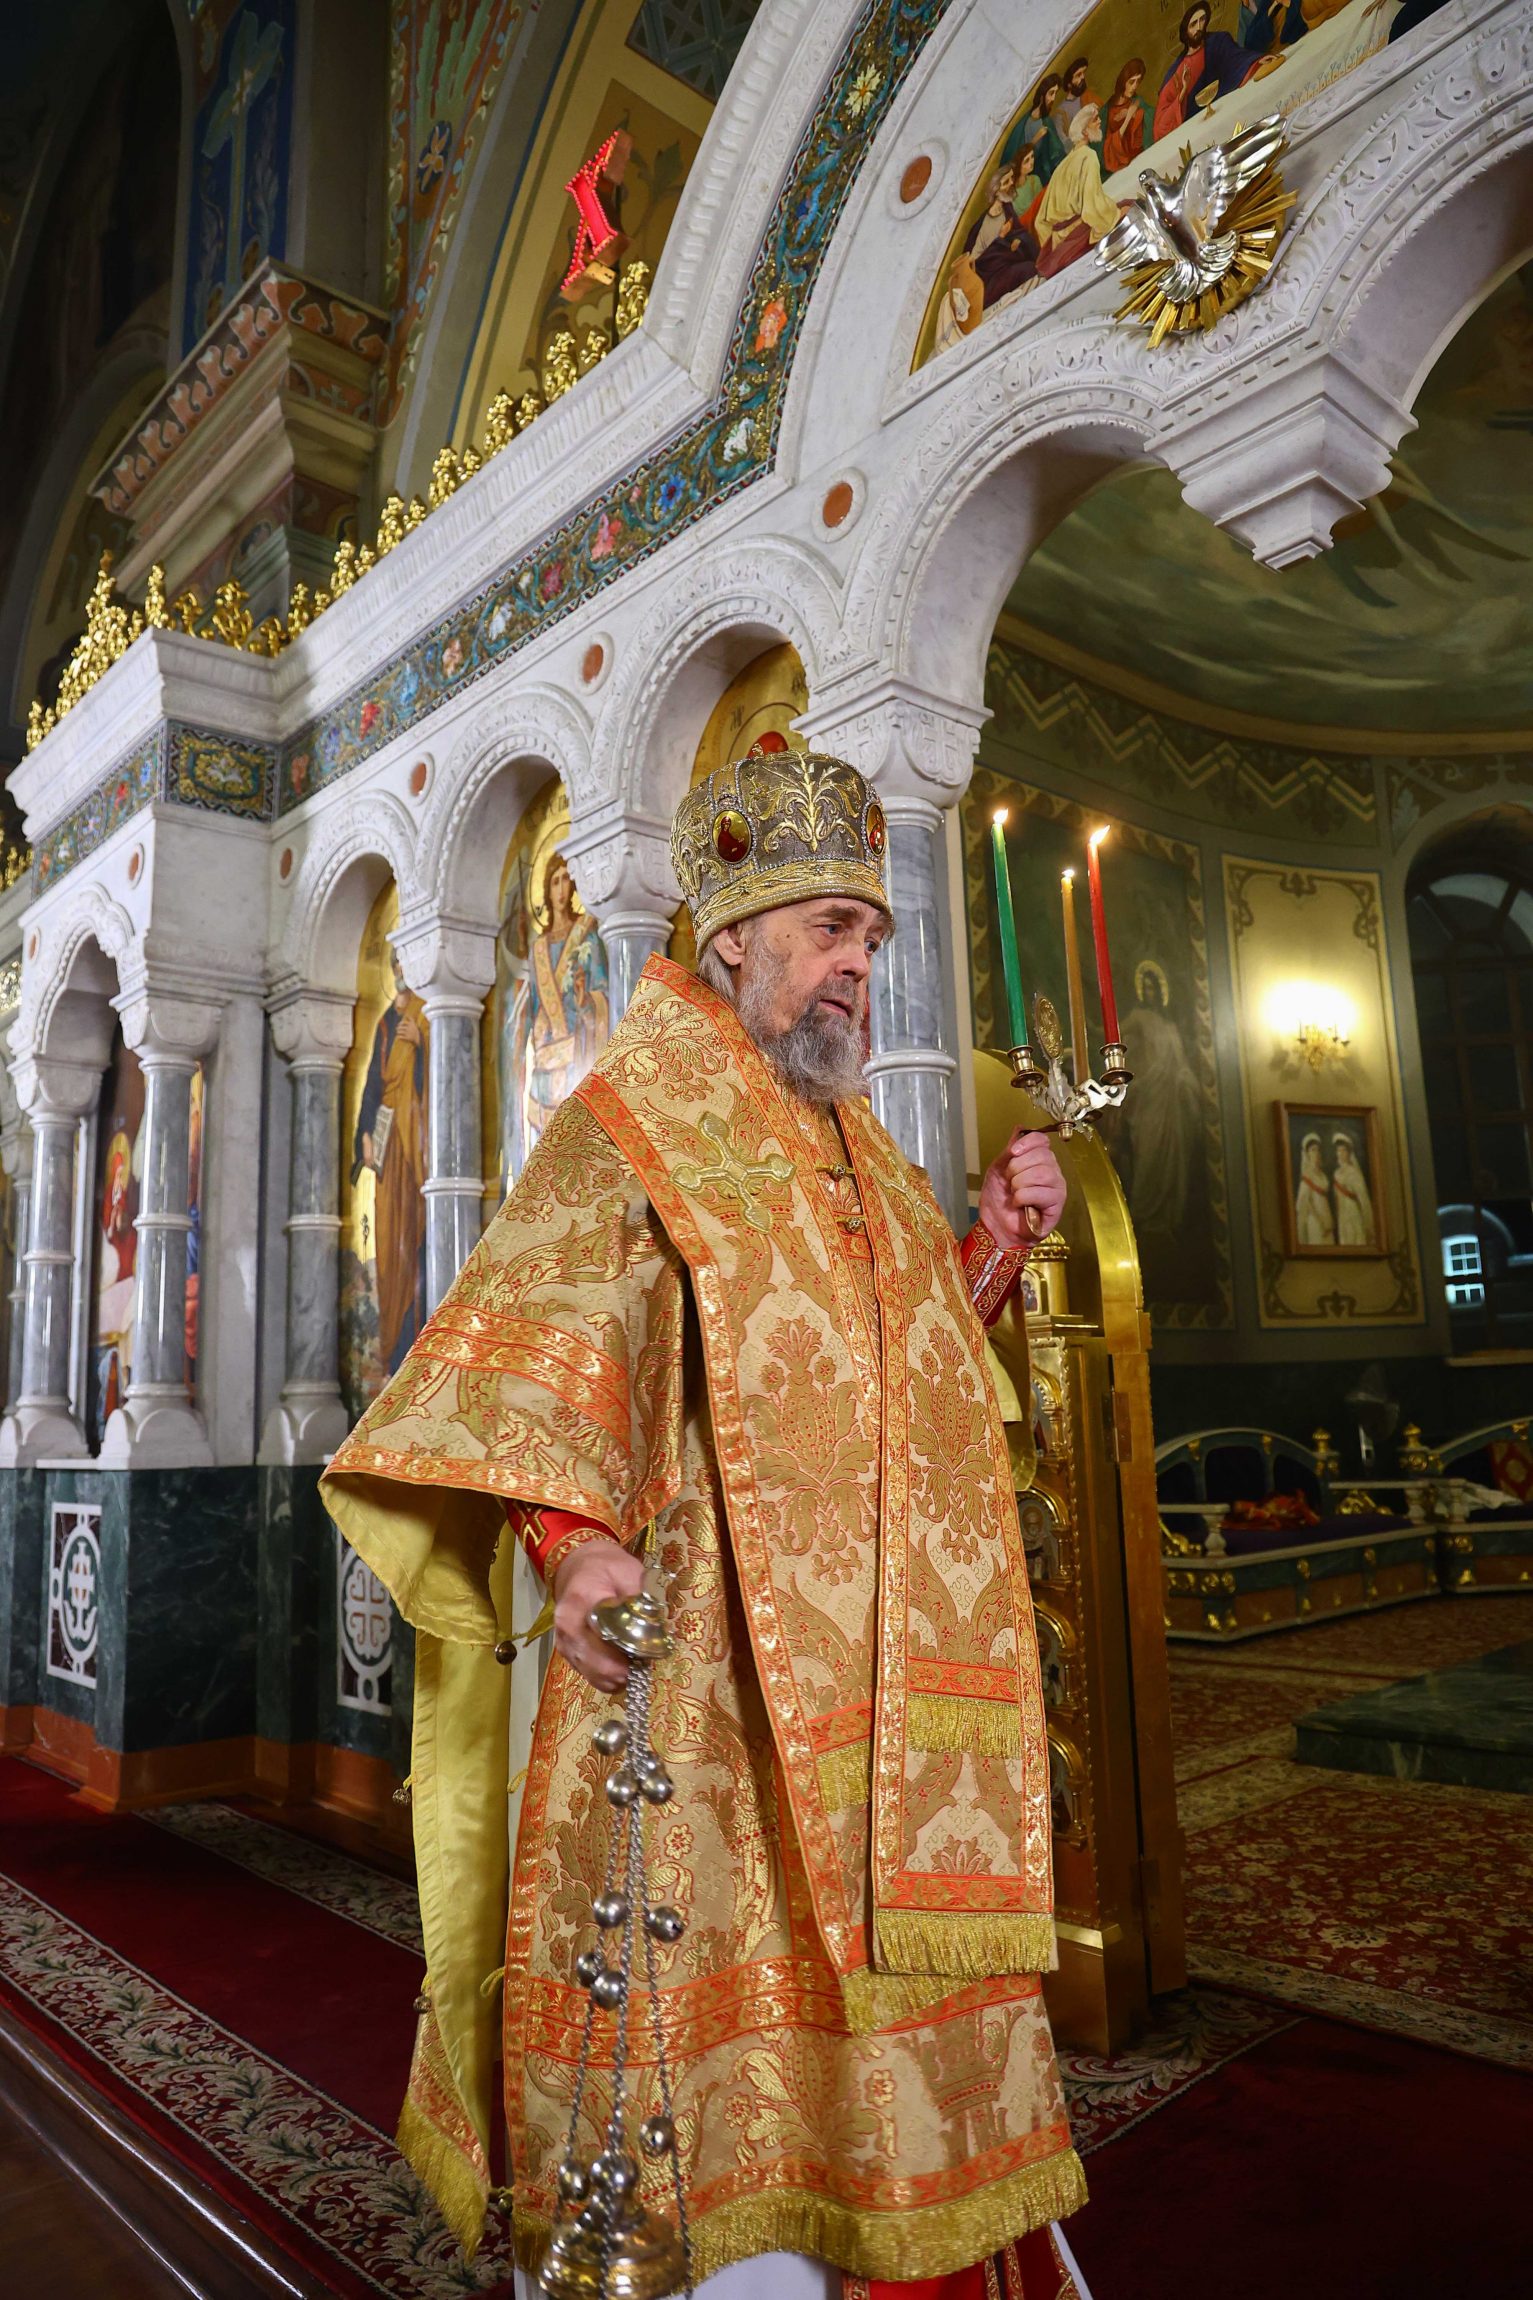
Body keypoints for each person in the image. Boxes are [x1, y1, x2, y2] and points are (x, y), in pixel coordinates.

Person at [323, 750, 1091, 2300]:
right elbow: (520, 1364)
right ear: (734, 937)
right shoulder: (631, 1122)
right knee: (702, 2076)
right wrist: (572, 1550)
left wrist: (994, 1247)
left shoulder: (864, 1149)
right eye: (829, 930)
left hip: (880, 1693)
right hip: (707, 1686)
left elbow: (903, 1368)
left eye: (870, 937)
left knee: (886, 2033)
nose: (858, 965)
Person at [499, 847, 610, 1190]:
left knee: (578, 1155)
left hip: (576, 1053)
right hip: (545, 1061)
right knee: (545, 1156)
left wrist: (585, 999)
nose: (561, 889)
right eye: (555, 882)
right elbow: (534, 1005)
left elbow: (602, 994)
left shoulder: (587, 933)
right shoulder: (538, 948)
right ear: (546, 890)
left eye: (566, 881)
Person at [353, 949, 428, 1375]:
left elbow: (443, 1075)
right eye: (396, 962)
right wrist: (364, 1134)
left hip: (416, 1141)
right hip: (387, 1145)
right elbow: (371, 1088)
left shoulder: (425, 1012)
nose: (400, 969)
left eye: (405, 961)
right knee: (387, 1237)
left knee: (416, 1231)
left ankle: (416, 1335)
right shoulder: (384, 1022)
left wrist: (422, 1043)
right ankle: (392, 1346)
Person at [1154, 3, 1265, 141]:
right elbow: (1160, 128)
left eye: (1202, 19)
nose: (1199, 27)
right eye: (1193, 24)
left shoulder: (1218, 42)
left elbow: (1239, 58)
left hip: (1232, 108)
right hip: (1201, 132)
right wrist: (1183, 92)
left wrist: (1258, 60)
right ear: (1185, 31)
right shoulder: (1176, 71)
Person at [1102, 59, 1151, 175]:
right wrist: (1129, 116)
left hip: (1140, 158)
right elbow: (1109, 146)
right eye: (1131, 82)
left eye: (1138, 82)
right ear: (1123, 81)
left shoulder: (1136, 101)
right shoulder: (1108, 110)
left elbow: (1152, 118)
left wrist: (1134, 114)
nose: (1134, 86)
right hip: (1122, 166)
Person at [1331, 1132, 1376, 1247]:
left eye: (1344, 1150)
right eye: (1338, 1150)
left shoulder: (1354, 1173)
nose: (1341, 1153)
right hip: (1342, 1214)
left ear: (1349, 1153)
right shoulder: (1336, 1173)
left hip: (1353, 1213)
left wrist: (1368, 1225)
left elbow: (1363, 1199)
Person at [1295, 1131, 1336, 1247]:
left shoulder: (1323, 1175)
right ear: (1307, 1154)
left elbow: (1325, 1201)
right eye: (1313, 1150)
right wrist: (1320, 1222)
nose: (1316, 1153)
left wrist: (1328, 1220)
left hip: (1326, 1217)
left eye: (1318, 1150)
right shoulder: (1307, 1176)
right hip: (1315, 1220)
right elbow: (1306, 1203)